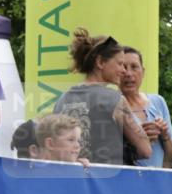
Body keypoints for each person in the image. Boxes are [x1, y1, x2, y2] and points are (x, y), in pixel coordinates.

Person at [53, 28, 151, 164]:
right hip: (107, 181)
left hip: (71, 179)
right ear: (100, 62)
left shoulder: (61, 100)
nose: (124, 70)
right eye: (120, 64)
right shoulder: (114, 99)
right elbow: (145, 150)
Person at [119, 46, 172, 168]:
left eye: (134, 67)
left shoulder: (158, 101)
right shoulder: (111, 106)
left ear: (143, 72)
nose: (129, 74)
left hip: (157, 181)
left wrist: (165, 135)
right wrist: (137, 139)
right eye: (123, 68)